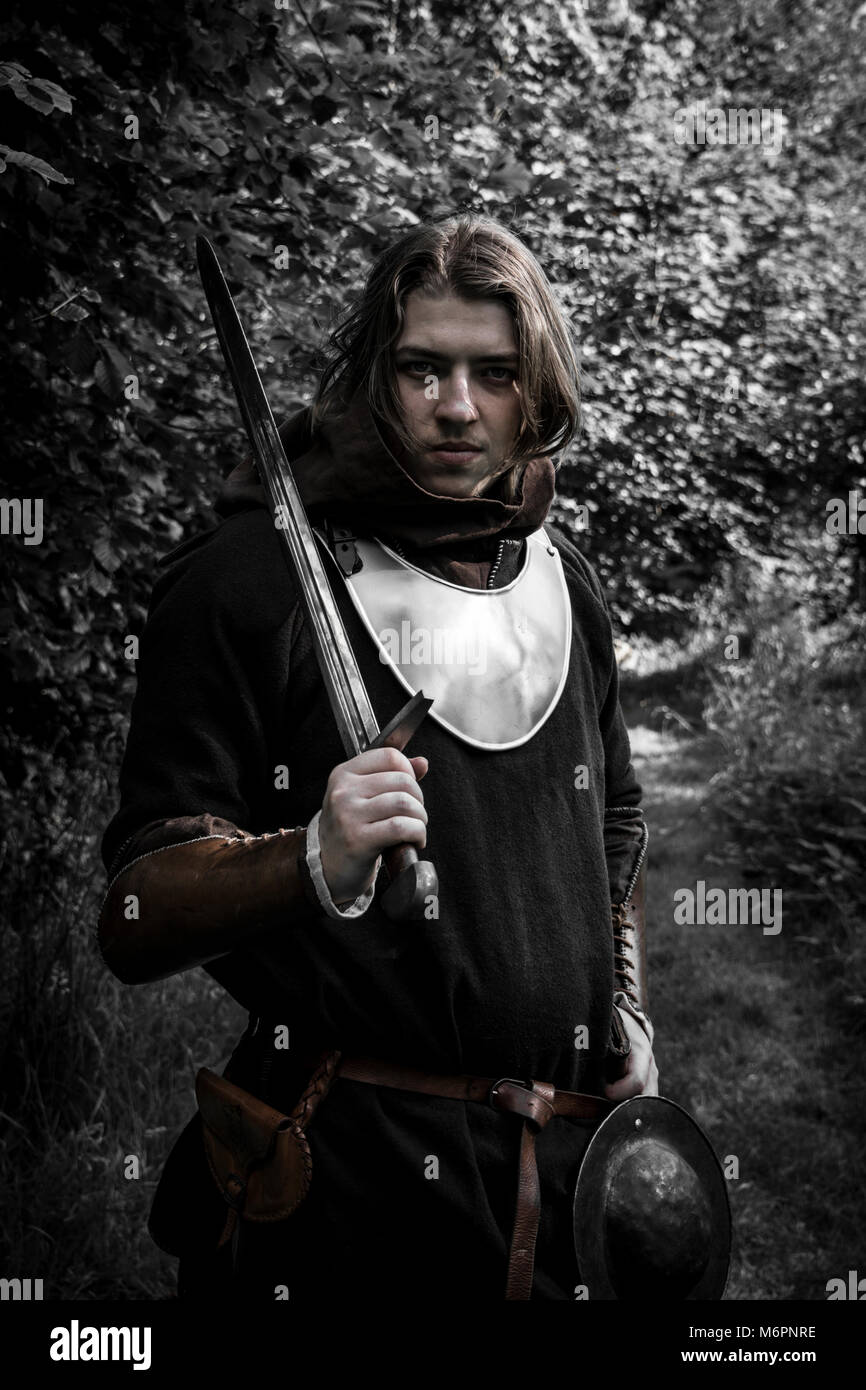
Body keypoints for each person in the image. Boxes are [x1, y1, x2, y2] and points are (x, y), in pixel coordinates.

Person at [98, 213, 657, 1302]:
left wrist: (625, 1007)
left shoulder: (565, 582)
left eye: (492, 373)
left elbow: (617, 826)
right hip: (344, 1182)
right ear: (372, 374)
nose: (456, 407)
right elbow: (130, 915)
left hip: (555, 1164)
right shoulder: (243, 585)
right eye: (421, 369)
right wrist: (308, 856)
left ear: (535, 387)